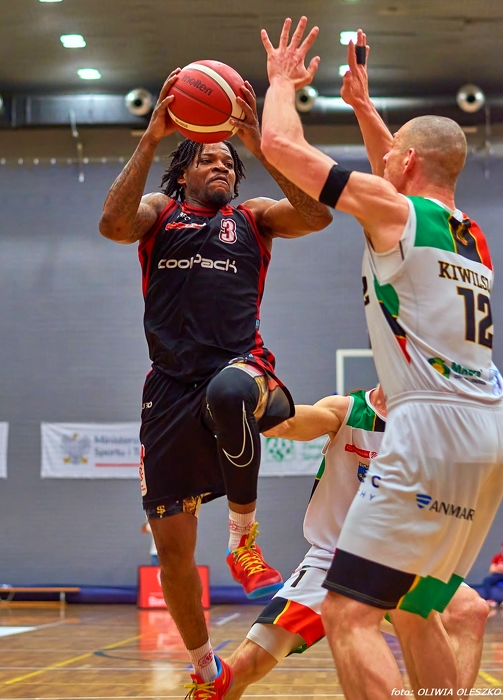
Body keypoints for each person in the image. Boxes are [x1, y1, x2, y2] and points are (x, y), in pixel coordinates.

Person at [259, 17, 503, 698]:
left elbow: (279, 144)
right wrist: (364, 106)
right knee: (416, 612)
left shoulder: (393, 212)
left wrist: (282, 83)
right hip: (487, 431)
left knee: (347, 612)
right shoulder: (470, 236)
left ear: (407, 163)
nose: (382, 158)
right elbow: (400, 171)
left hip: (427, 428)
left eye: (391, 154)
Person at [99, 70, 332, 697]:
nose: (222, 165)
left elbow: (318, 215)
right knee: (174, 551)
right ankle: (208, 671)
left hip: (242, 368)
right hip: (169, 392)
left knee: (229, 393)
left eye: (229, 161)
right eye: (208, 158)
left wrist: (260, 144)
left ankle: (243, 537)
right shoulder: (160, 214)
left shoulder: (253, 218)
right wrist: (151, 138)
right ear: (182, 174)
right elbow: (113, 225)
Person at [219, 386, 489, 700]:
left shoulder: (436, 429)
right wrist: (250, 400)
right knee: (247, 665)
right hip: (331, 560)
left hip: (397, 563)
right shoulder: (348, 411)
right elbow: (287, 424)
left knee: (471, 610)